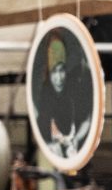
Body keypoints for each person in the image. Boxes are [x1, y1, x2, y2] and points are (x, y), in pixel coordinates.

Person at [32, 32, 94, 163]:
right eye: (54, 72)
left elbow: (87, 119)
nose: (59, 77)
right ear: (49, 74)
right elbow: (41, 122)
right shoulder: (43, 97)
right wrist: (51, 146)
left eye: (62, 70)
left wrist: (76, 139)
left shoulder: (75, 91)